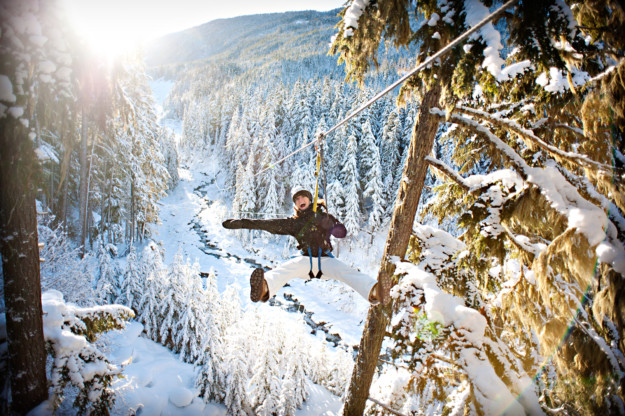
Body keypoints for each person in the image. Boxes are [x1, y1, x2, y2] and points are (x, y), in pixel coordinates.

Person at [222, 186, 381, 305]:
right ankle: (264, 288)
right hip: (305, 262)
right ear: (295, 204)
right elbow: (267, 225)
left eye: (303, 197)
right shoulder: (294, 223)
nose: (300, 201)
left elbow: (342, 233)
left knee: (346, 272)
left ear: (309, 199)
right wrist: (241, 223)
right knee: (285, 269)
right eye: (297, 199)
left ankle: (374, 291)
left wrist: (330, 224)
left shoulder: (323, 216)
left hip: (326, 261)